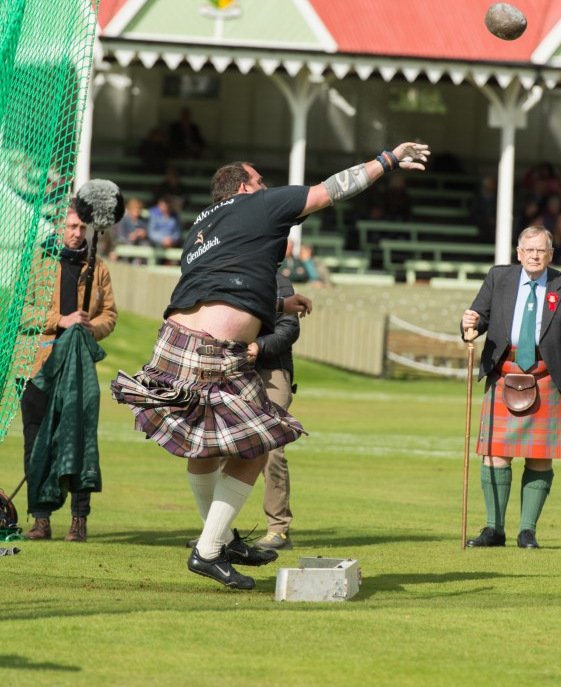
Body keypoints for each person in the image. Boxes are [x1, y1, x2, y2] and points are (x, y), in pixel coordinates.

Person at [111, 141, 430, 591]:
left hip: (175, 343)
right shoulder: (259, 203)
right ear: (245, 187)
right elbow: (331, 190)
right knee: (262, 441)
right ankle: (208, 551)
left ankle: (220, 541)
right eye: (260, 180)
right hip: (213, 350)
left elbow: (220, 288)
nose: (268, 186)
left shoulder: (203, 227)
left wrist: (278, 302)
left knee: (204, 449)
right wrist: (388, 160)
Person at [461, 225, 561, 550]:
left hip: (548, 376)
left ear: (550, 254)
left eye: (541, 250)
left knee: (540, 457)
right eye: (528, 250)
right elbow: (479, 318)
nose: (534, 255)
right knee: (494, 455)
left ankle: (527, 531)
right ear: (518, 253)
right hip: (504, 371)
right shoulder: (499, 278)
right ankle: (494, 529)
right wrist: (468, 325)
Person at [19, 200, 117, 541]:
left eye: (82, 228)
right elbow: (22, 312)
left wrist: (90, 328)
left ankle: (79, 520)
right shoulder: (36, 263)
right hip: (37, 366)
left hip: (78, 369)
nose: (77, 233)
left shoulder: (98, 268)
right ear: (58, 226)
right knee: (35, 445)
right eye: (71, 226)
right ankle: (41, 519)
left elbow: (109, 315)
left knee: (79, 442)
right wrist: (60, 320)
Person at [249, 271, 301, 551]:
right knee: (219, 447)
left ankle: (278, 530)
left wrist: (259, 346)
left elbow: (289, 329)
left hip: (272, 370)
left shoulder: (279, 281)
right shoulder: (231, 277)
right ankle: (215, 531)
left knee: (272, 446)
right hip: (234, 371)